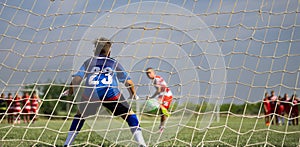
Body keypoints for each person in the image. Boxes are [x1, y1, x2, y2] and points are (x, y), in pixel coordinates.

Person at [63, 37, 146, 146]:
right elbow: (129, 82)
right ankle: (142, 143)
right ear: (109, 51)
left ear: (95, 50)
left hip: (91, 94)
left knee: (80, 115)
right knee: (129, 115)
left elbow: (77, 79)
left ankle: (67, 143)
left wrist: (70, 91)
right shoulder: (113, 62)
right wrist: (133, 94)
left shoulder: (89, 62)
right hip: (110, 92)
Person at [146, 67, 173, 132]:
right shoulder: (156, 79)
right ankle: (161, 128)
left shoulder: (156, 79)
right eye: (147, 74)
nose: (148, 75)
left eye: (150, 73)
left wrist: (152, 97)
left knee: (161, 110)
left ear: (153, 72)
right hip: (164, 95)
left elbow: (159, 90)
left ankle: (166, 113)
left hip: (166, 95)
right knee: (162, 113)